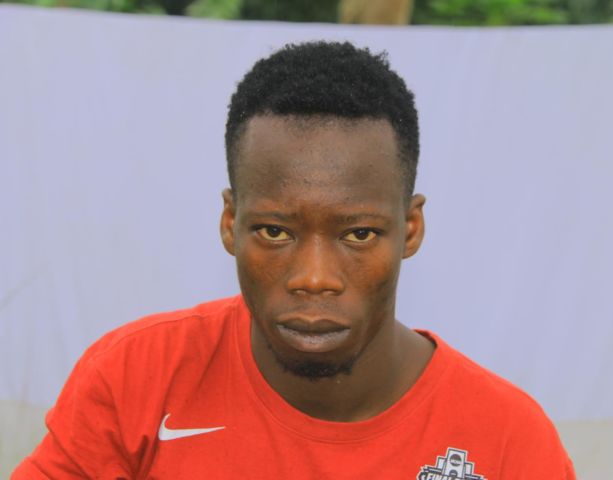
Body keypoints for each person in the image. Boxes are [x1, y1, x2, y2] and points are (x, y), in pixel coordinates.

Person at [13, 41, 575, 479]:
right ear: (230, 223)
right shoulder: (136, 378)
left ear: (410, 229)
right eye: (275, 231)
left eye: (358, 234)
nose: (314, 278)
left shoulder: (509, 440)